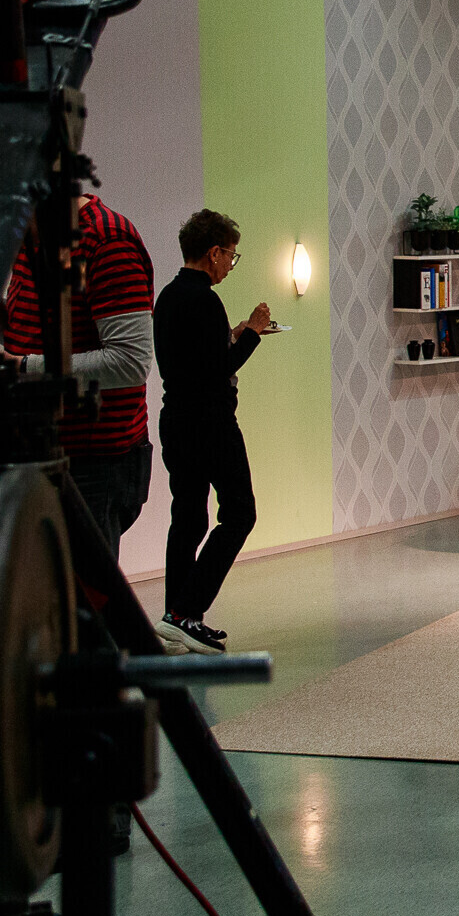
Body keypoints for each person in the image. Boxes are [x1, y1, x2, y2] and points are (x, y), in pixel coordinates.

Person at [0, 192, 157, 566]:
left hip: (92, 464)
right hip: (46, 454)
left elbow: (130, 362)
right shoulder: (34, 241)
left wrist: (23, 368)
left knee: (82, 593)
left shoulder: (107, 241)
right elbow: (28, 332)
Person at [152, 209, 277, 655]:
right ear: (214, 252)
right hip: (211, 422)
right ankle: (188, 612)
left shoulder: (169, 296)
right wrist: (253, 333)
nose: (230, 265)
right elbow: (218, 369)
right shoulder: (205, 300)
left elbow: (192, 360)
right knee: (240, 513)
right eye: (231, 256)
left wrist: (232, 334)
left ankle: (174, 619)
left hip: (175, 419)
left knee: (188, 519)